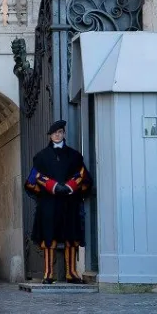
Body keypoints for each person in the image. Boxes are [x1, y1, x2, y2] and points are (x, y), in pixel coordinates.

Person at [24, 120, 92, 284]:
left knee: (71, 237)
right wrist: (52, 186)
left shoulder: (75, 156)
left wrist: (69, 187)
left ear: (63, 134)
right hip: (49, 204)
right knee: (49, 238)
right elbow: (32, 180)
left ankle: (72, 273)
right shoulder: (41, 157)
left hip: (70, 203)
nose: (57, 135)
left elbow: (83, 175)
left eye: (60, 132)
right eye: (55, 133)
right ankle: (48, 273)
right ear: (50, 135)